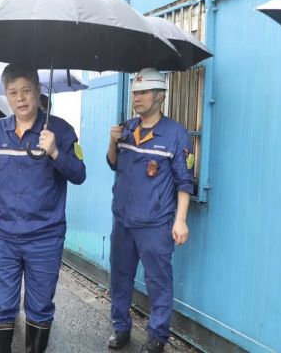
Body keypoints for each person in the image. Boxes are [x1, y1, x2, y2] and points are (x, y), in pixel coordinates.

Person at [0, 63, 86, 353]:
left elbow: (79, 174)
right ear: (6, 95)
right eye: (13, 92)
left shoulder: (60, 130)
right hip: (4, 236)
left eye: (26, 91)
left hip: (45, 236)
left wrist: (55, 152)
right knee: (2, 305)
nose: (20, 98)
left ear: (38, 90)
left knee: (40, 305)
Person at [106, 68, 194, 353]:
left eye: (144, 92)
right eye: (135, 92)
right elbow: (113, 163)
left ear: (160, 96)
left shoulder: (176, 134)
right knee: (120, 277)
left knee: (158, 281)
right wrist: (112, 141)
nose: (137, 98)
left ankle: (157, 336)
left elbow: (184, 181)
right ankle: (121, 328)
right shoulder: (126, 128)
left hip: (155, 223)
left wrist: (180, 221)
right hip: (123, 220)